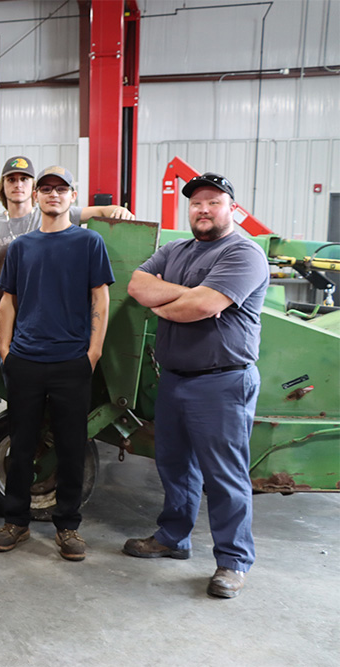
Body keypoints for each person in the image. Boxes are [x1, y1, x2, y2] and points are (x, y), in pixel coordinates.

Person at [123, 172, 269, 599]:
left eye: (214, 202)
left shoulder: (244, 253)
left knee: (224, 476)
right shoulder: (175, 249)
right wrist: (184, 299)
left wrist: (168, 304)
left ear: (232, 209)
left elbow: (202, 306)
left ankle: (233, 561)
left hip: (222, 382)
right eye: (196, 203)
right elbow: (136, 285)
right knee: (173, 466)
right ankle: (173, 537)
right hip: (174, 380)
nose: (203, 210)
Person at [0, 166, 113, 562]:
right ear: (37, 197)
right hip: (25, 360)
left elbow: (100, 299)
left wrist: (92, 353)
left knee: (72, 447)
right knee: (22, 446)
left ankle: (68, 527)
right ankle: (16, 523)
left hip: (71, 362)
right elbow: (7, 300)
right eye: (46, 189)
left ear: (72, 197)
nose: (53, 195)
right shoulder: (22, 247)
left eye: (61, 189)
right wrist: (7, 349)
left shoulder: (89, 243)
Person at [0, 157, 135, 366]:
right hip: (12, 324)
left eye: (24, 179)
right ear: (3, 185)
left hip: (61, 330)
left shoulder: (53, 212)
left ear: (33, 188)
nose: (18, 184)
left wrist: (118, 210)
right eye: (11, 179)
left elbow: (98, 211)